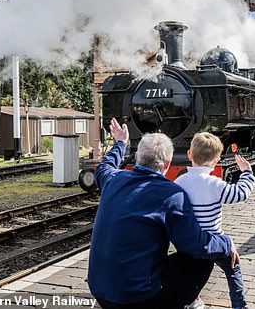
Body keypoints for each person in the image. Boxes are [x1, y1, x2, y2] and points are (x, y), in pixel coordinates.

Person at [88, 118, 238, 309]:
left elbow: (104, 166)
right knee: (201, 260)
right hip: (139, 298)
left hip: (100, 291)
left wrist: (120, 143)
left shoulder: (113, 179)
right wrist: (226, 243)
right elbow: (194, 244)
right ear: (167, 164)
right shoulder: (171, 194)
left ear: (136, 158)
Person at [175, 132, 255, 309]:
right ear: (216, 160)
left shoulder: (180, 181)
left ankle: (191, 299)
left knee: (191, 270)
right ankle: (239, 305)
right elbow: (241, 193)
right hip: (214, 241)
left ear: (189, 155)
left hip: (190, 241)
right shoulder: (215, 184)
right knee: (233, 268)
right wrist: (247, 173)